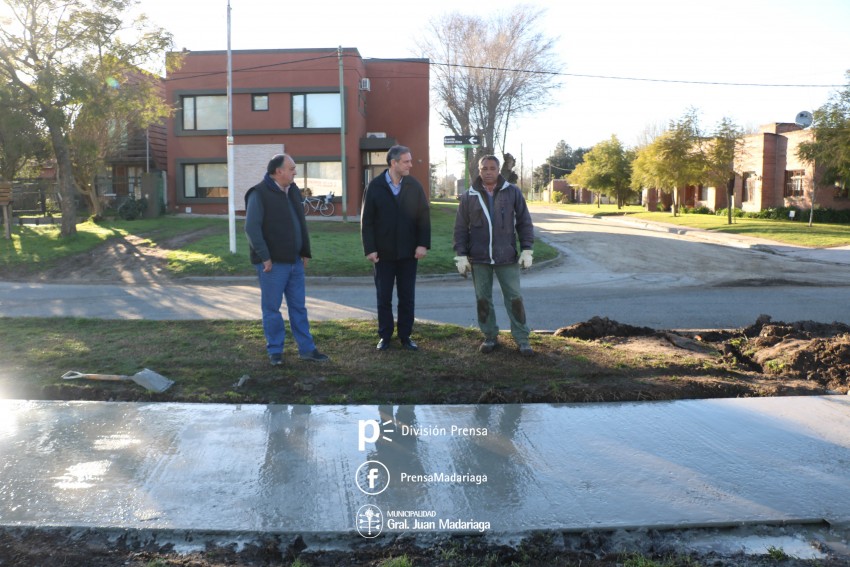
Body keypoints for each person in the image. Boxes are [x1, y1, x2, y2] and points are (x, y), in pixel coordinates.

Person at [245, 153, 329, 366]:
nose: (295, 172)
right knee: (272, 309)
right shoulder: (259, 193)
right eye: (291, 168)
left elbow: (300, 223)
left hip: (295, 262)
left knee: (299, 307)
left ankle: (307, 350)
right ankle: (275, 351)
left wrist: (304, 251)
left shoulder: (292, 191)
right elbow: (252, 229)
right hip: (272, 265)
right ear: (278, 171)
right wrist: (265, 257)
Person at [453, 154, 535, 356]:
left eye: (492, 168)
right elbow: (461, 228)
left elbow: (524, 222)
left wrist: (527, 249)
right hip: (479, 258)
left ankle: (522, 338)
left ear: (498, 170)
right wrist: (461, 255)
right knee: (483, 299)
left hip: (506, 256)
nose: (488, 172)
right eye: (484, 168)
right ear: (479, 171)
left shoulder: (513, 192)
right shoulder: (468, 196)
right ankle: (490, 336)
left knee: (514, 298)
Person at [361, 145, 431, 351]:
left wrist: (422, 244)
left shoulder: (414, 186)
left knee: (407, 296)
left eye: (410, 161)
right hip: (383, 254)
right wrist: (370, 249)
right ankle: (385, 336)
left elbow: (423, 217)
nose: (410, 164)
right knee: (383, 297)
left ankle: (405, 336)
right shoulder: (374, 187)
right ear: (394, 163)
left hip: (409, 253)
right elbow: (367, 221)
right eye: (406, 161)